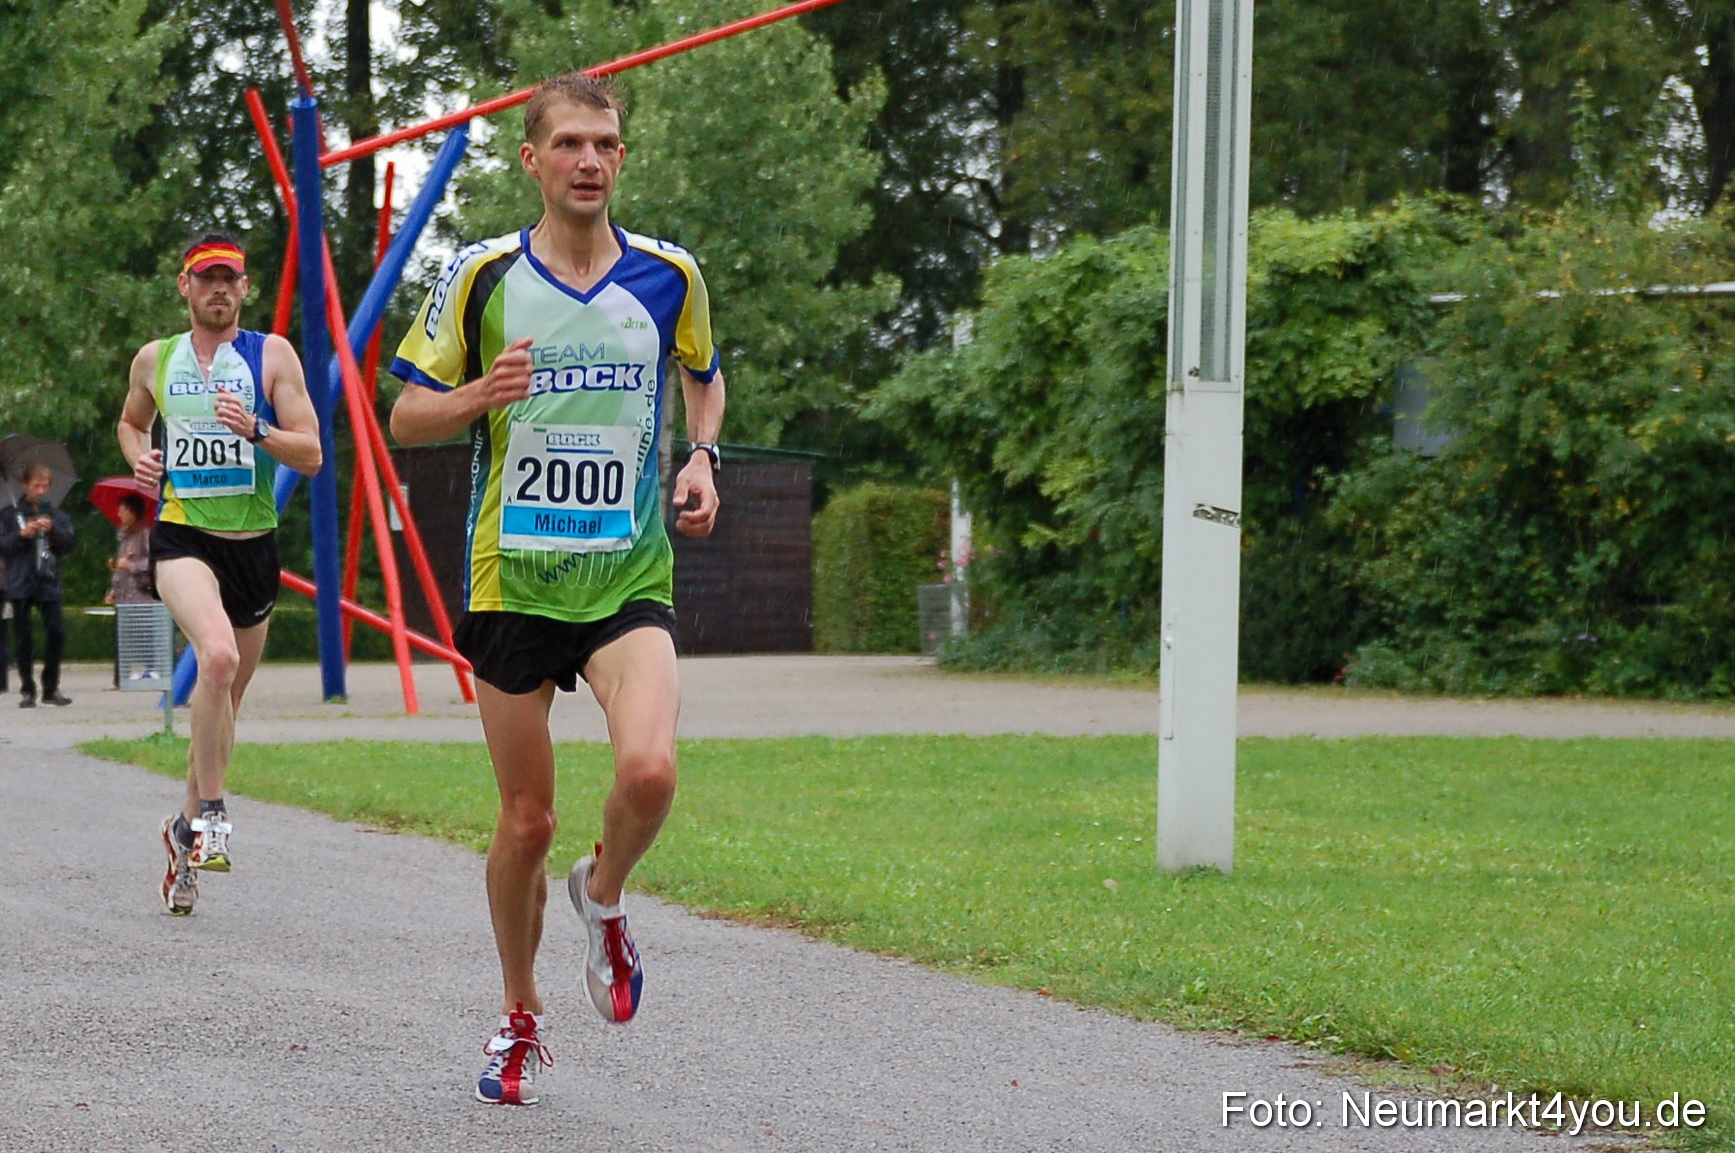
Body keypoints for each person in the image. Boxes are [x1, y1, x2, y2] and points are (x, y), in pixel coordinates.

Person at [389, 72, 726, 1107]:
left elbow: (702, 371)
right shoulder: (481, 274)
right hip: (514, 580)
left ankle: (605, 896)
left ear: (622, 157)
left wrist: (702, 455)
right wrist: (478, 394)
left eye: (605, 144)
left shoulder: (670, 274)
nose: (589, 160)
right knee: (526, 822)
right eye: (570, 143)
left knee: (652, 772)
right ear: (531, 159)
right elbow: (404, 418)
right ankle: (519, 1010)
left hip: (626, 573)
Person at [116, 233, 322, 916]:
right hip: (183, 537)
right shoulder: (157, 358)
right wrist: (141, 457)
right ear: (185, 285)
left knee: (223, 701)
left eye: (229, 279)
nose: (219, 290)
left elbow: (312, 453)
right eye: (207, 279)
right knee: (218, 656)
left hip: (253, 546)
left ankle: (183, 832)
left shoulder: (272, 356)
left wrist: (258, 430)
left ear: (244, 288)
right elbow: (131, 423)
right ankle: (211, 815)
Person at [0, 462, 75, 707]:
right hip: (20, 581)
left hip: (48, 581)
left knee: (56, 632)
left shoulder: (56, 514)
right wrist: (21, 535)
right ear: (26, 485)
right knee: (24, 638)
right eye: (36, 486)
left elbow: (69, 544)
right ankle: (27, 689)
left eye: (45, 486)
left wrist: (52, 530)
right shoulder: (9, 514)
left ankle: (50, 687)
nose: (41, 491)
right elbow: (3, 546)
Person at [106, 492, 156, 687]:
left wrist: (132, 565)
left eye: (123, 510)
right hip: (124, 594)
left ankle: (152, 669)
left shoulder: (145, 533)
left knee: (144, 634)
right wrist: (114, 589)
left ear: (134, 512)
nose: (120, 514)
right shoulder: (125, 536)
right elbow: (120, 567)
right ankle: (120, 677)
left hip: (141, 594)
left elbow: (152, 561)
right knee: (122, 636)